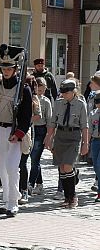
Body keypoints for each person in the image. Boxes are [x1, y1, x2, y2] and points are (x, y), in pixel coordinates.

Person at [0, 44, 32, 217]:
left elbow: (26, 116)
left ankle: (13, 202)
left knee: (11, 167)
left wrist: (19, 134)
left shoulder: (23, 90)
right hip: (0, 129)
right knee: (2, 167)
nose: (7, 71)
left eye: (10, 67)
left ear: (16, 68)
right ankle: (7, 199)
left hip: (16, 132)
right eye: (4, 67)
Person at [44, 79, 88, 208]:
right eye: (62, 92)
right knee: (62, 168)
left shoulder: (81, 104)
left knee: (67, 166)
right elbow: (53, 122)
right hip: (60, 135)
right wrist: (48, 137)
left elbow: (84, 125)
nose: (64, 95)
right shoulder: (58, 103)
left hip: (74, 136)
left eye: (66, 92)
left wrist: (85, 143)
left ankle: (73, 196)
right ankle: (67, 197)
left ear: (73, 91)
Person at [28, 77, 52, 196]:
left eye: (42, 88)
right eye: (38, 87)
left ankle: (30, 184)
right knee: (33, 158)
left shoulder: (46, 101)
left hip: (40, 130)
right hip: (30, 129)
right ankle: (40, 183)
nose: (40, 90)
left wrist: (48, 136)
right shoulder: (30, 98)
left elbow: (49, 120)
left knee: (34, 158)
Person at [17, 75, 38, 204]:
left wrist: (25, 121)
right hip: (13, 130)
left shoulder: (33, 98)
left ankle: (24, 189)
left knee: (22, 163)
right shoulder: (15, 96)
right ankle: (14, 190)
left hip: (26, 132)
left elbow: (37, 115)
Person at [89, 92, 100, 203]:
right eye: (97, 102)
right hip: (95, 140)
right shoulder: (93, 113)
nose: (98, 104)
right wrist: (86, 143)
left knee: (99, 165)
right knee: (96, 167)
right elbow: (90, 129)